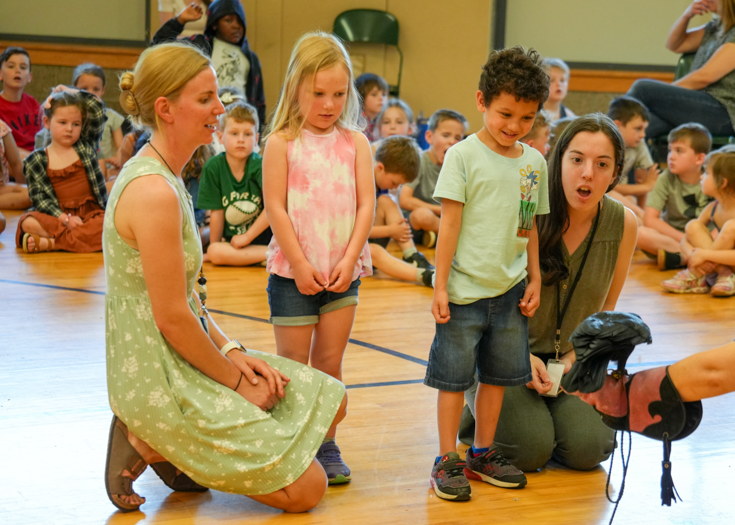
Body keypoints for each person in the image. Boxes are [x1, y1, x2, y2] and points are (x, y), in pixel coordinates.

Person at [105, 41, 347, 514]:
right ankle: (146, 435)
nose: (220, 108)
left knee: (330, 400)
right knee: (307, 490)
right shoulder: (152, 192)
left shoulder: (171, 175)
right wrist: (237, 384)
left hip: (188, 352)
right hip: (163, 372)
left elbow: (189, 303)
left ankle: (181, 450)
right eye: (206, 99)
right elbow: (173, 320)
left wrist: (234, 352)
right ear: (165, 109)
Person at [460, 113, 638, 475]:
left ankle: (540, 419)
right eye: (577, 160)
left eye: (602, 164)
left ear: (616, 172)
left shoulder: (624, 222)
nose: (588, 173)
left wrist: (576, 356)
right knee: (528, 451)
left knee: (592, 448)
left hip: (567, 363)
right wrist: (519, 357)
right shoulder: (527, 211)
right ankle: (477, 413)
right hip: (501, 352)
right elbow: (482, 303)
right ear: (557, 162)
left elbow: (605, 311)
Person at [426, 46, 550, 502]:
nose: (514, 126)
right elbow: (450, 225)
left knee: (498, 378)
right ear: (481, 101)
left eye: (526, 118)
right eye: (505, 114)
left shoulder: (533, 163)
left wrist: (533, 277)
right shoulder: (461, 156)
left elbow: (528, 223)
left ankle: (481, 452)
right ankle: (446, 459)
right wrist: (439, 286)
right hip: (462, 293)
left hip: (511, 293)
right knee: (453, 380)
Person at [263, 31, 373, 485]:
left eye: (339, 94)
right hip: (293, 275)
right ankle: (293, 442)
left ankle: (326, 443)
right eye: (318, 93)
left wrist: (349, 260)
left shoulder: (357, 143)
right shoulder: (281, 143)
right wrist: (301, 264)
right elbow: (276, 208)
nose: (329, 104)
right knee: (292, 369)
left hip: (342, 275)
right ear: (296, 89)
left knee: (329, 364)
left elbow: (367, 205)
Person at [16, 87, 107, 253]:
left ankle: (51, 244)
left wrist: (72, 91)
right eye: (62, 122)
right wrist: (65, 219)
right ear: (46, 122)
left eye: (76, 124)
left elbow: (97, 109)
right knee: (28, 223)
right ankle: (79, 240)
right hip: (57, 216)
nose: (69, 129)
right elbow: (40, 200)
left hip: (90, 214)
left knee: (107, 226)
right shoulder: (37, 160)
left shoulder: (85, 147)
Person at [628, 0, 735, 139]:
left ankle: (604, 135)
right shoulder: (715, 29)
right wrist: (686, 15)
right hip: (700, 107)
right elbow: (675, 44)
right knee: (647, 123)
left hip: (725, 115)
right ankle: (614, 155)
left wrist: (661, 94)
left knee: (642, 88)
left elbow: (705, 77)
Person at [152, 0, 266, 128]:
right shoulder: (200, 46)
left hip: (238, 125)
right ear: (215, 24)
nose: (236, 26)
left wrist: (257, 133)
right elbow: (158, 48)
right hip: (206, 120)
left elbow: (260, 104)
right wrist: (180, 21)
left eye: (240, 21)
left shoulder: (251, 58)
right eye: (229, 20)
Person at [198, 100, 271, 266]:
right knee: (214, 249)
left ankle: (273, 255)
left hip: (263, 240)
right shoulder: (214, 167)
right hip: (235, 245)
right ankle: (268, 258)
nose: (241, 140)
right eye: (234, 133)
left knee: (217, 252)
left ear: (256, 139)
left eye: (247, 134)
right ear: (220, 136)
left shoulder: (260, 166)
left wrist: (246, 237)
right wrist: (214, 247)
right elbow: (217, 212)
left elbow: (272, 209)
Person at [636, 123, 712, 269]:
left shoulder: (711, 178)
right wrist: (685, 240)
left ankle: (683, 258)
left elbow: (721, 219)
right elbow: (650, 220)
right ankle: (694, 257)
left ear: (699, 159)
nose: (671, 157)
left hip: (707, 240)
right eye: (670, 150)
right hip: (674, 239)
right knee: (641, 233)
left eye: (679, 151)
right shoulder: (665, 178)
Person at [662, 146, 735, 295]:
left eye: (707, 173)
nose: (701, 177)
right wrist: (692, 255)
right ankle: (722, 274)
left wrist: (705, 256)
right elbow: (685, 239)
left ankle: (695, 275)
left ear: (723, 183)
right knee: (693, 225)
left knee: (731, 227)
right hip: (722, 268)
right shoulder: (712, 208)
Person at [369, 135, 434, 286]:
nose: (394, 188)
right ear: (380, 167)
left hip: (370, 240)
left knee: (387, 201)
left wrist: (392, 230)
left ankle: (411, 255)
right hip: (357, 251)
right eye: (394, 183)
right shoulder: (359, 186)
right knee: (373, 251)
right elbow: (352, 233)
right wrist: (390, 230)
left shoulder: (380, 187)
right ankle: (423, 275)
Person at [399, 109, 468, 248]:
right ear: (430, 137)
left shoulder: (461, 168)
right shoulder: (419, 161)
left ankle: (435, 237)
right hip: (417, 220)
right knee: (422, 216)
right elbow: (405, 200)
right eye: (446, 135)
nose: (452, 142)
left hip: (445, 219)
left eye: (457, 138)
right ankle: (460, 240)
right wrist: (440, 210)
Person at [607, 96, 659, 215]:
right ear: (617, 126)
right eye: (638, 129)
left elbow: (642, 179)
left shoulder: (639, 144)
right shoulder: (603, 145)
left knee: (632, 202)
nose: (643, 135)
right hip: (601, 195)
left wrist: (643, 210)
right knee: (633, 210)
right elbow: (606, 188)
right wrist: (646, 187)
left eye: (644, 129)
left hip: (621, 196)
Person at [0, 47, 41, 160]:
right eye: (11, 66)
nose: (17, 70)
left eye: (23, 67)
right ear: (0, 74)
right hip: (8, 158)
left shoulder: (33, 104)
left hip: (35, 157)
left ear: (29, 77)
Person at [0, 118, 31, 210]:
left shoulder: (1, 128)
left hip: (1, 188)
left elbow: (16, 164)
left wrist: (24, 185)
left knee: (31, 194)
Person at [355, 73, 388, 142]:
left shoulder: (385, 119)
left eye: (384, 94)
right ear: (361, 96)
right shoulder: (356, 122)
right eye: (374, 94)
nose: (381, 98)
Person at [543, 58, 577, 122]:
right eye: (552, 80)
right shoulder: (533, 114)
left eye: (562, 80)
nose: (559, 84)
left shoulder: (570, 117)